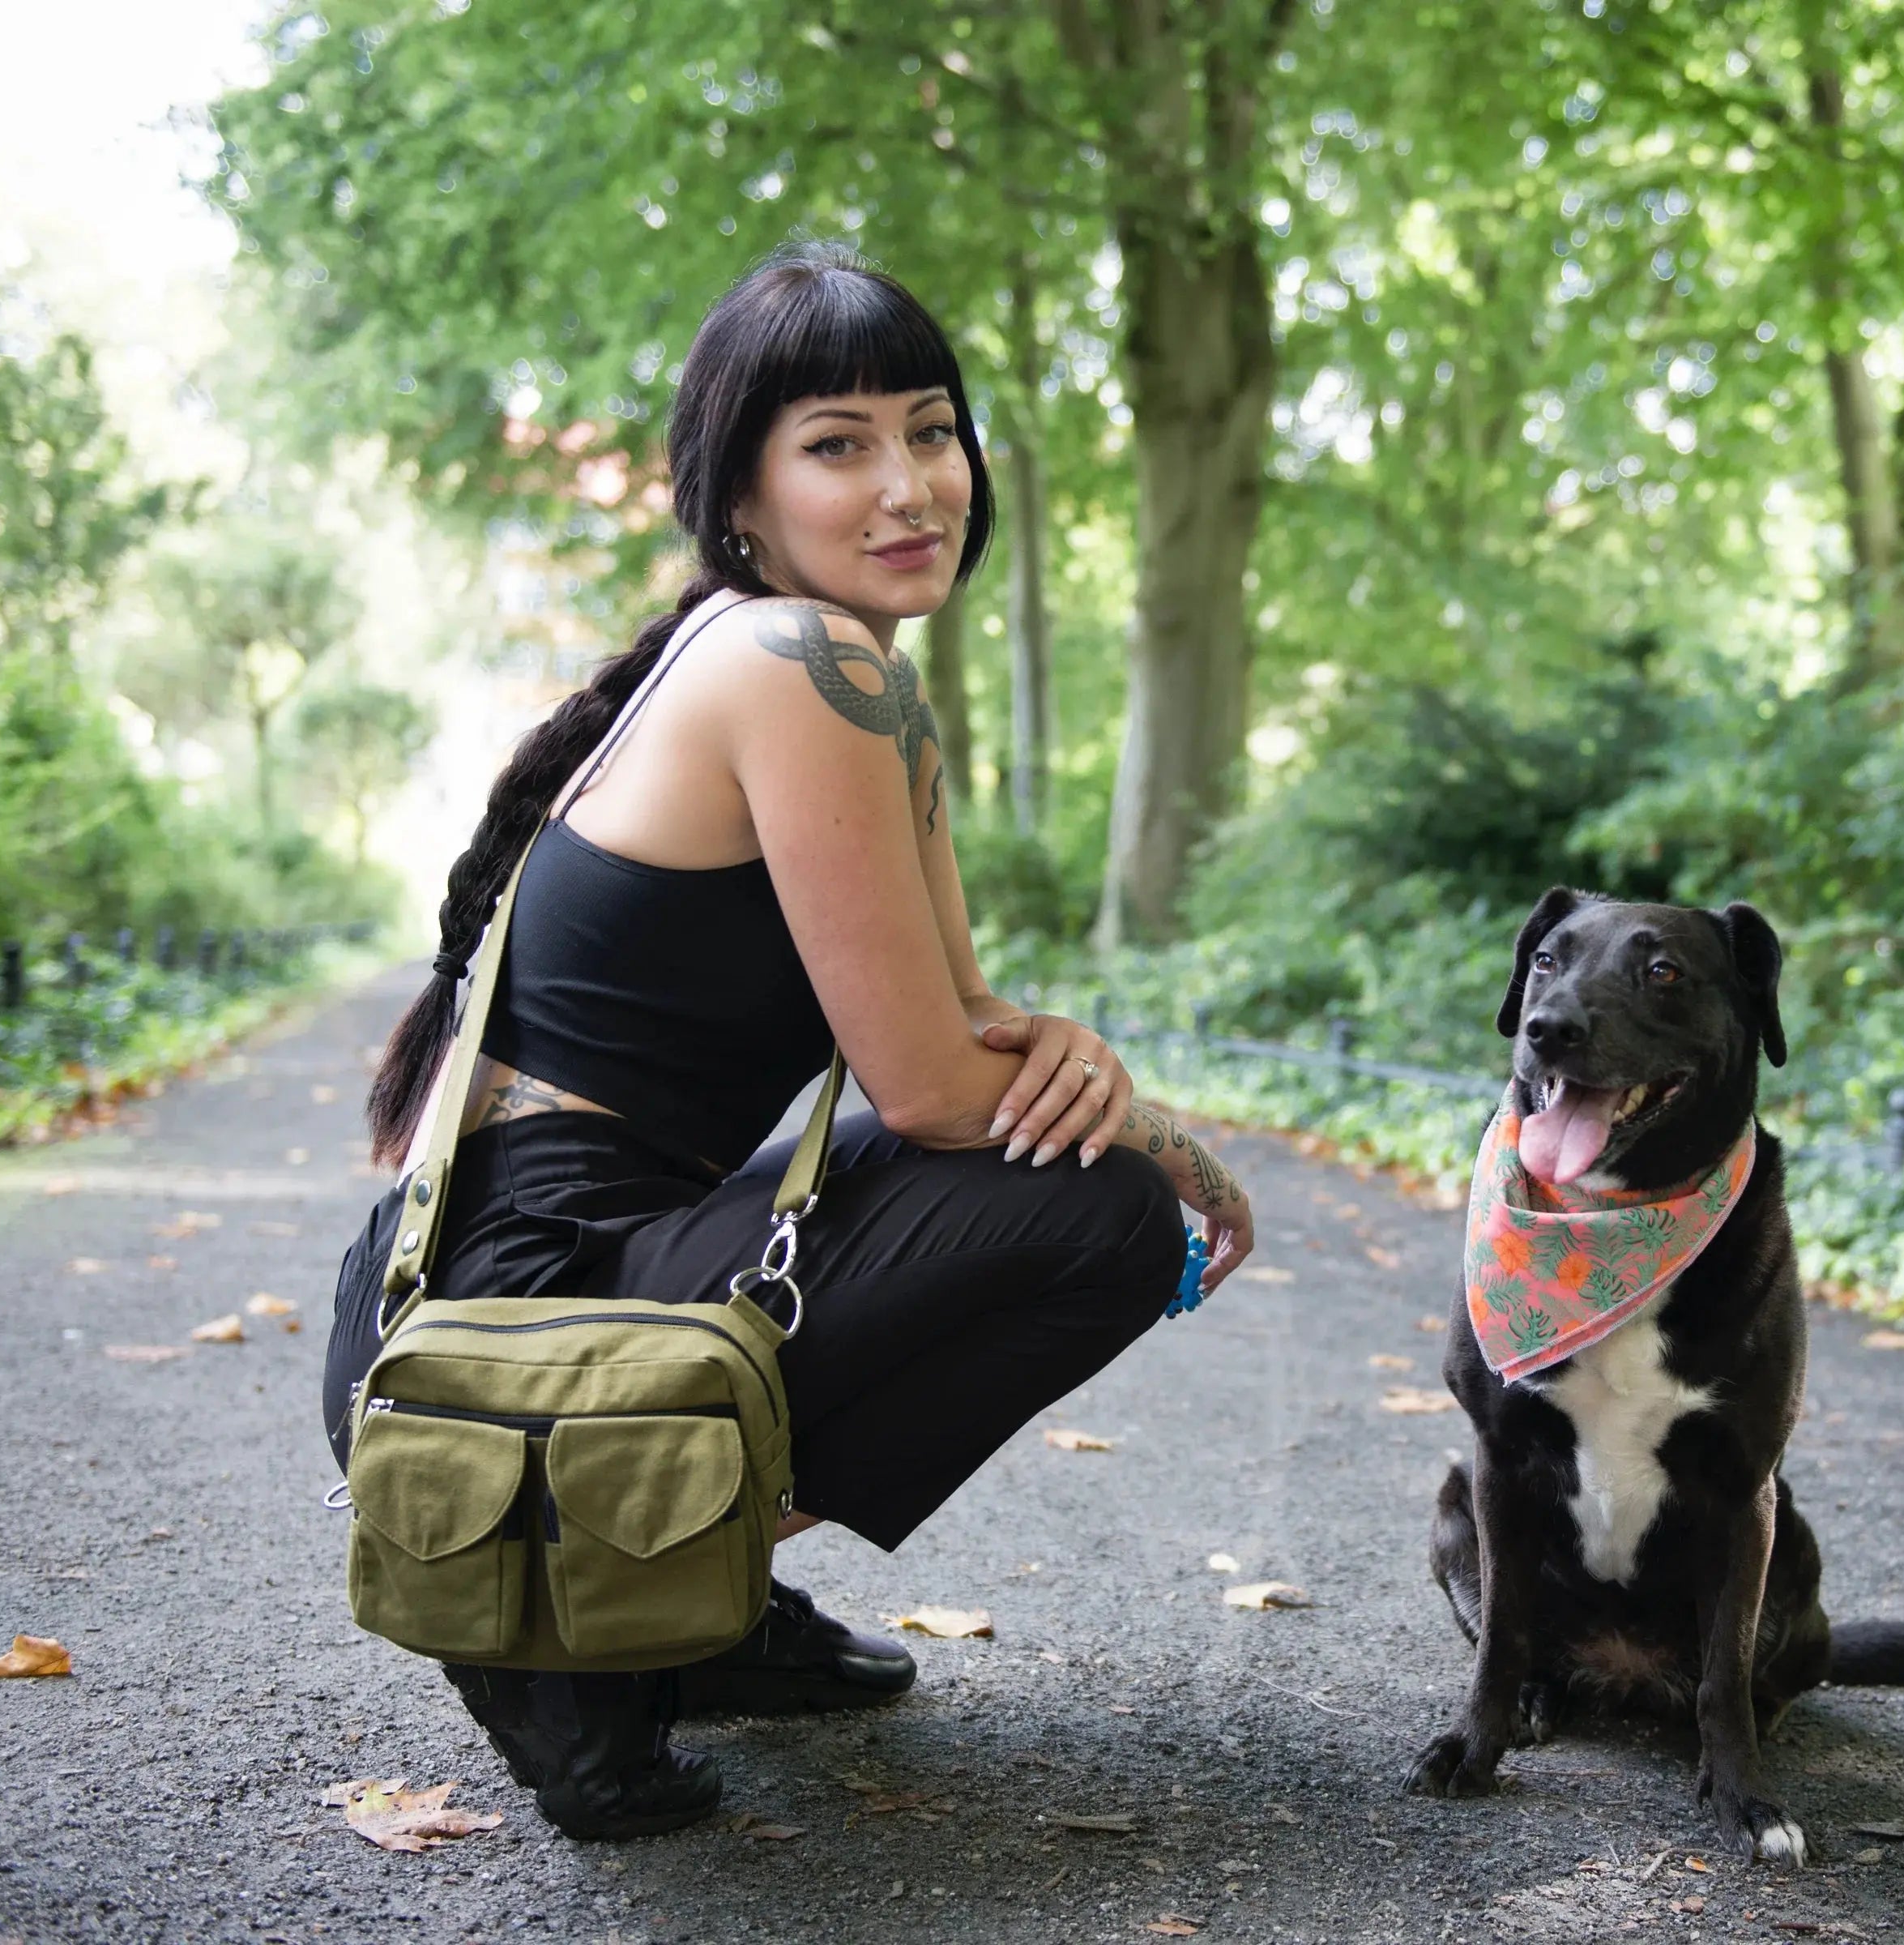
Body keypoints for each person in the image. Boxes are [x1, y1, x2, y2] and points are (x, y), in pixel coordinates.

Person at [324, 242, 1256, 1841]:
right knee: (1104, 1211)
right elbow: (935, 1091)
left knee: (1067, 1164)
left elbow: (963, 1024)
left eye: (933, 429)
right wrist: (1182, 1153)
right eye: (839, 444)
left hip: (540, 1290)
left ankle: (687, 1592)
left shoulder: (856, 677)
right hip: (509, 1328)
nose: (911, 485)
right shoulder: (792, 662)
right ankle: (581, 1615)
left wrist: (1078, 1055)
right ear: (740, 499)